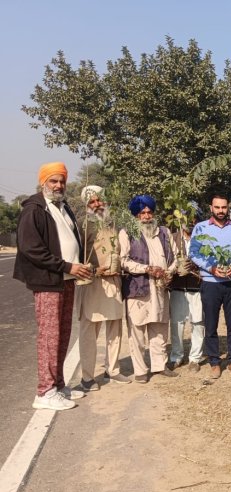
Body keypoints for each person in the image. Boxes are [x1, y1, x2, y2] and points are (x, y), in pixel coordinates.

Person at [14, 162, 92, 410]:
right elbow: (31, 249)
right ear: (43, 182)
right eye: (53, 181)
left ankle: (58, 385)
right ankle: (45, 392)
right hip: (48, 281)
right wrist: (67, 266)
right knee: (49, 337)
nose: (58, 186)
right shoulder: (34, 209)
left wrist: (77, 266)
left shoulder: (63, 206)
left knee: (62, 334)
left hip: (66, 280)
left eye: (62, 181)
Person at [189, 194, 231, 379]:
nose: (221, 211)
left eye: (224, 207)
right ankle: (214, 361)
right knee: (211, 324)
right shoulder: (201, 228)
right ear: (211, 208)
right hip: (210, 283)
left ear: (227, 208)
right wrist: (211, 268)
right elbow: (194, 253)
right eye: (217, 207)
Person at [77, 186, 130, 392]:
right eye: (92, 202)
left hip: (113, 281)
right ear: (87, 205)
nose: (97, 204)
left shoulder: (113, 222)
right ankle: (87, 377)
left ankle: (113, 370)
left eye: (100, 200)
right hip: (92, 282)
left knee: (115, 328)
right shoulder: (82, 225)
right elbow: (75, 254)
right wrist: (94, 270)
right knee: (89, 331)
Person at [120, 195, 178, 383]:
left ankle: (160, 366)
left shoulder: (164, 232)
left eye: (149, 212)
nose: (146, 216)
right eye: (142, 213)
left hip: (160, 288)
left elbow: (175, 257)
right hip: (138, 288)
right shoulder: (127, 233)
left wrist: (169, 271)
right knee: (137, 331)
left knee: (159, 328)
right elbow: (123, 261)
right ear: (136, 215)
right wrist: (146, 269)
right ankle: (140, 370)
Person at [169, 209, 204, 372]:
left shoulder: (203, 239)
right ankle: (176, 356)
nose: (190, 221)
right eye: (186, 218)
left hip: (197, 287)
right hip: (177, 286)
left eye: (193, 218)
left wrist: (196, 265)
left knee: (198, 323)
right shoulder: (172, 238)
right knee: (177, 323)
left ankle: (195, 358)